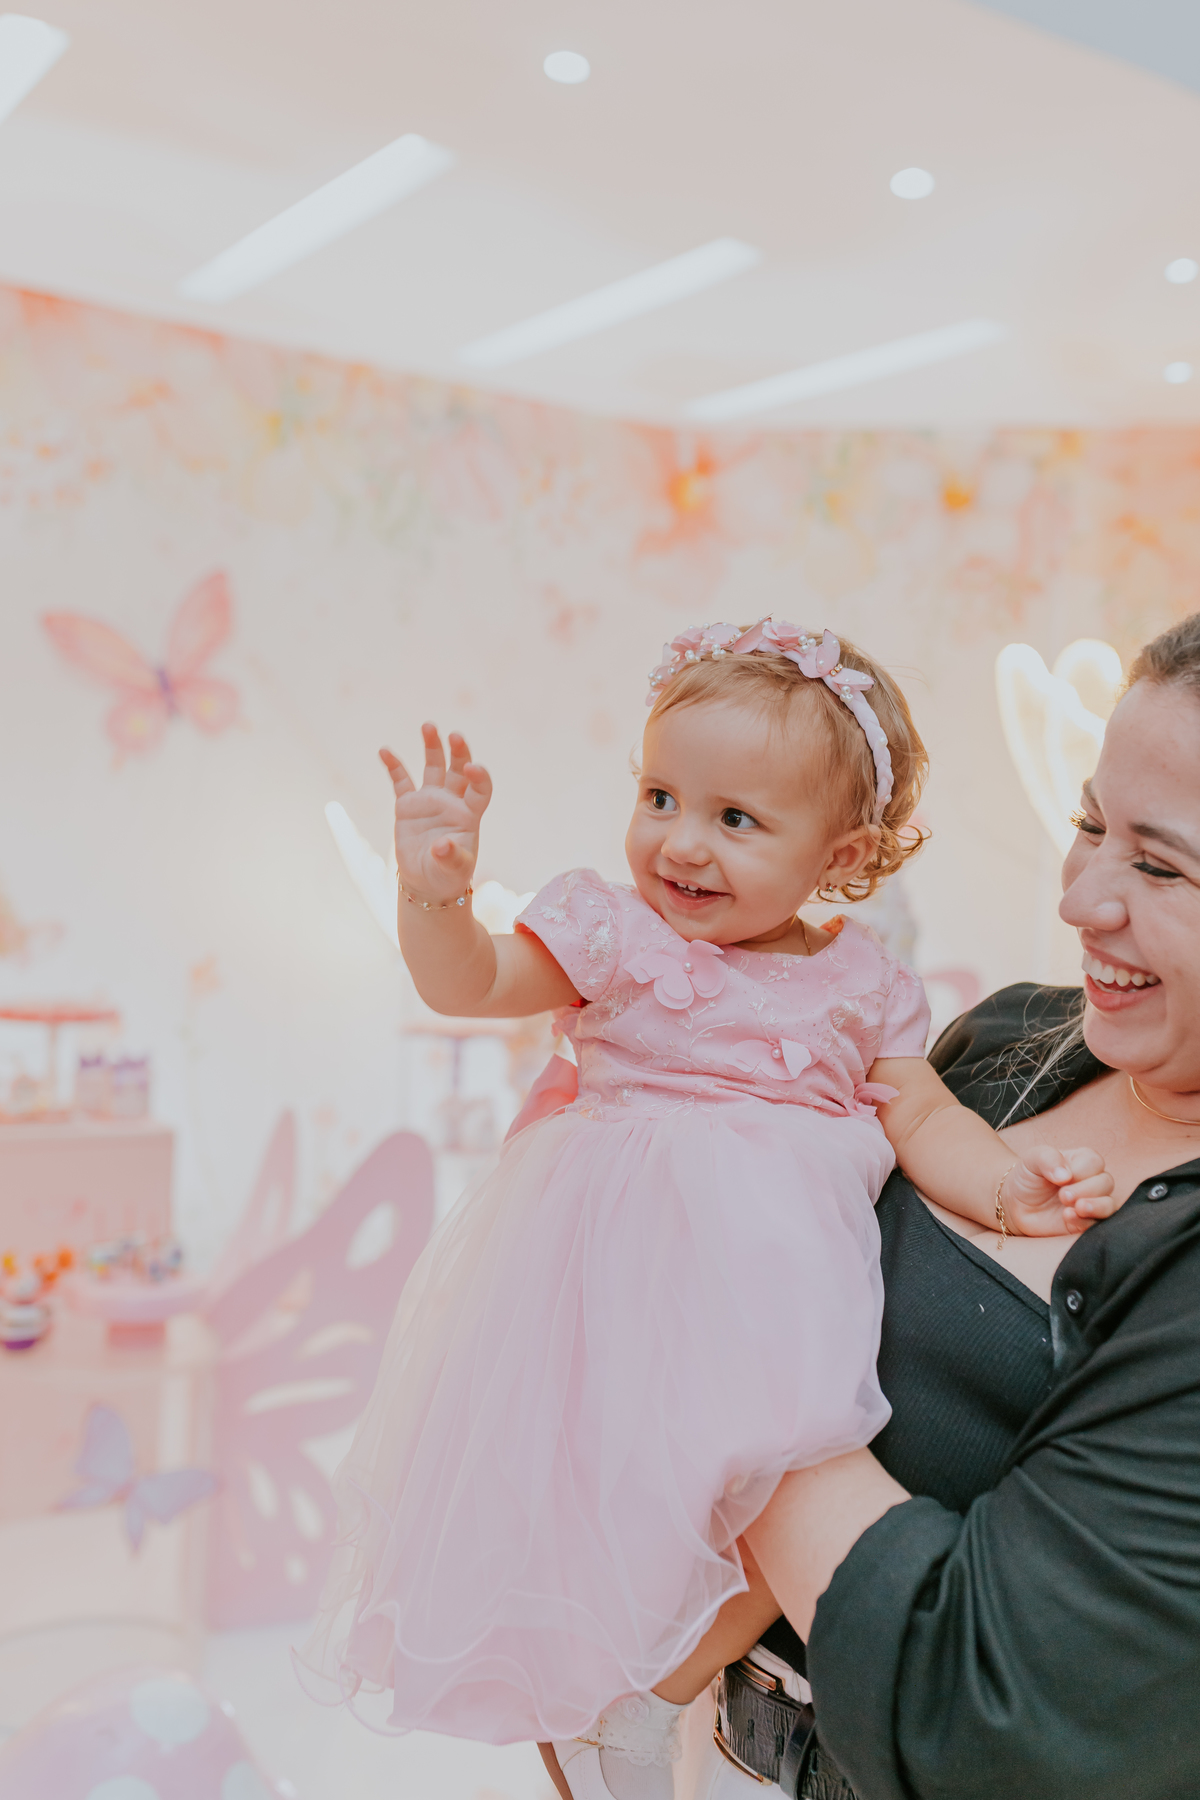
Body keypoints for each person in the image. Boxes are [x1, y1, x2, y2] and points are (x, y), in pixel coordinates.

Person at [300, 618, 1112, 1798]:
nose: (682, 843)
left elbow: (925, 1121)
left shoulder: (862, 984)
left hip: (775, 1298)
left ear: (846, 856)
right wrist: (437, 898)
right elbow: (471, 981)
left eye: (736, 819)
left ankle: (652, 1691)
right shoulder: (615, 936)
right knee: (621, 1510)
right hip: (621, 1281)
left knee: (784, 1492)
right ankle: (598, 1694)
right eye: (661, 795)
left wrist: (1013, 1188)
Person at [678, 611, 1200, 1800]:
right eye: (1089, 826)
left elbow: (988, 1711)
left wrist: (732, 1343)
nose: (1082, 902)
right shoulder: (1011, 1041)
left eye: (1161, 866)